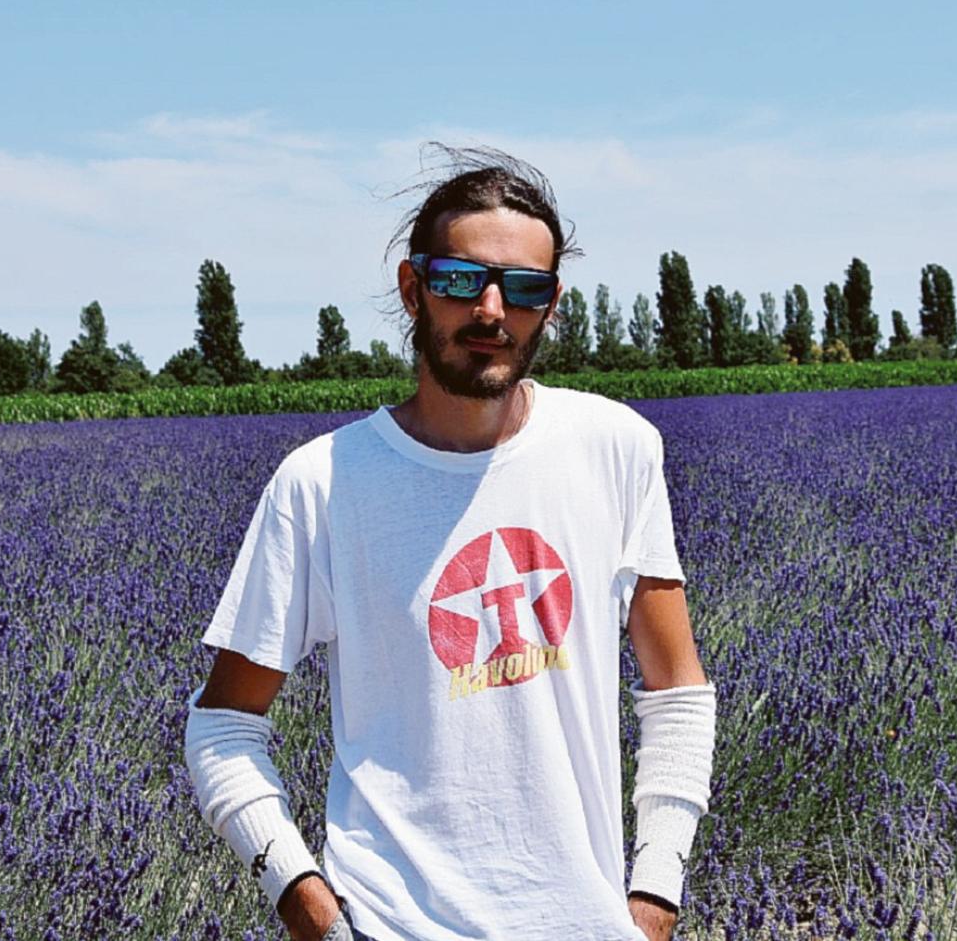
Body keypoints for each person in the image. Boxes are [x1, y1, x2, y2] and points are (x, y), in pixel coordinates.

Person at [183, 147, 717, 941]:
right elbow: (222, 727)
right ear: (414, 288)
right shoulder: (323, 484)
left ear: (552, 304)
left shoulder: (618, 450)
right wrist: (308, 906)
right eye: (462, 280)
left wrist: (656, 895)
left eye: (526, 289)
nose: (493, 311)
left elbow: (678, 692)